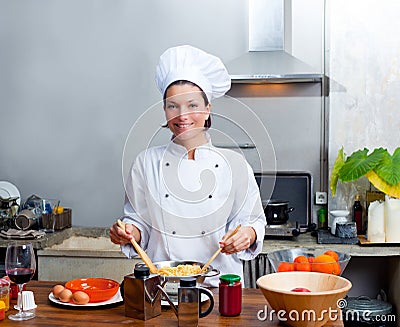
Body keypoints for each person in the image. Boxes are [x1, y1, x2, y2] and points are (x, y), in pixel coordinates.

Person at [110, 45, 266, 286]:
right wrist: (129, 233)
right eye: (173, 106)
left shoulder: (235, 164)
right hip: (162, 288)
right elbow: (139, 223)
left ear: (207, 110)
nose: (182, 116)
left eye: (192, 105)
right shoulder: (145, 163)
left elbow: (253, 220)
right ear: (164, 110)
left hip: (219, 287)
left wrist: (248, 234)